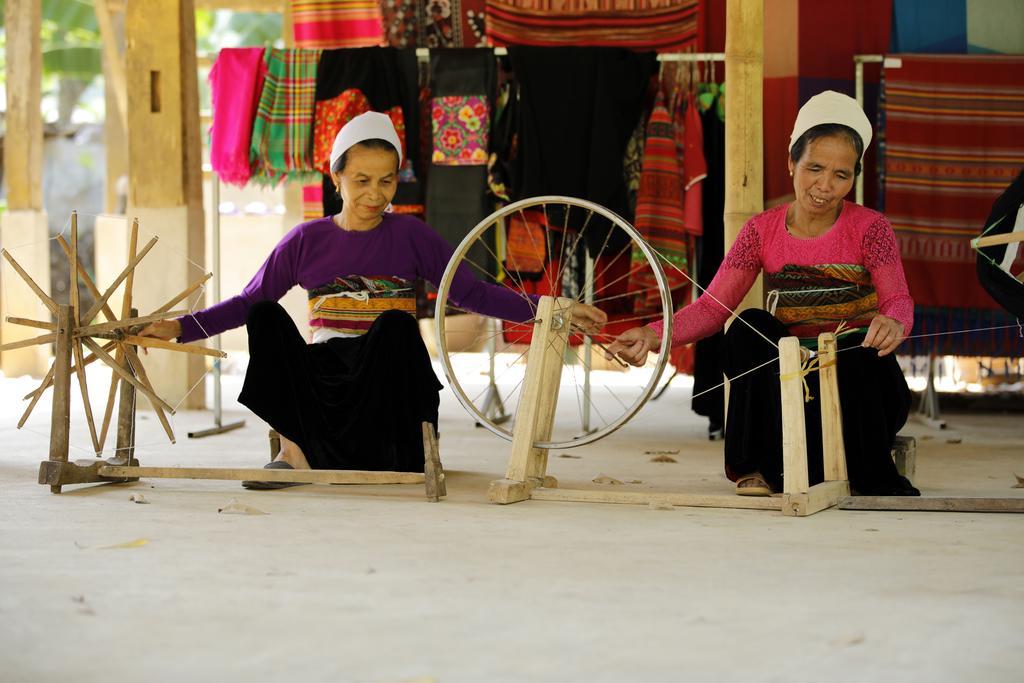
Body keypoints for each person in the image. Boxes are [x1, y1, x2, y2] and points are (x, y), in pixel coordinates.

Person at [140, 112, 606, 489]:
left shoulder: (412, 235)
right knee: (265, 315)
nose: (374, 194)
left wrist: (552, 307)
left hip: (384, 380)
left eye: (386, 182)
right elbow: (247, 302)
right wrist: (180, 327)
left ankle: (402, 453)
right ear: (336, 176)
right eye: (361, 180)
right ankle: (294, 455)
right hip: (323, 376)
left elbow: (472, 292)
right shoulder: (306, 240)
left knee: (396, 326)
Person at [607, 91, 919, 497]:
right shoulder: (760, 231)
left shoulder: (871, 228)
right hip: (793, 394)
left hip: (864, 396)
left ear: (854, 177)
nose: (825, 186)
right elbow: (711, 308)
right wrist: (653, 334)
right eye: (814, 168)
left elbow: (898, 299)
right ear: (791, 162)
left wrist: (893, 321)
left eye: (842, 175)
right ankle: (754, 468)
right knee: (747, 328)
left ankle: (866, 472)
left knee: (859, 349)